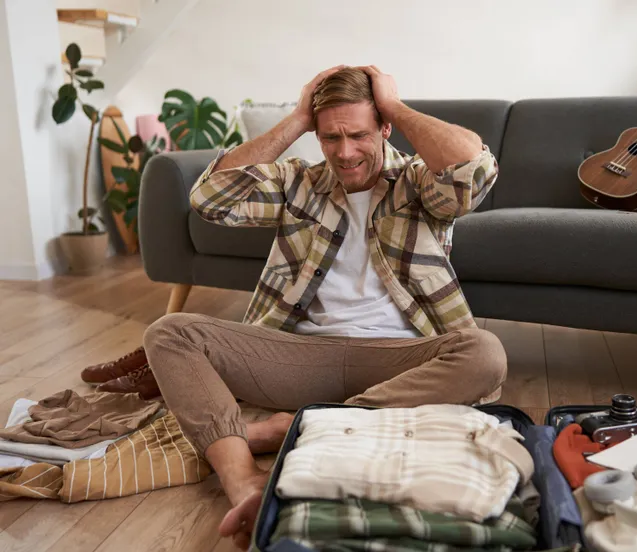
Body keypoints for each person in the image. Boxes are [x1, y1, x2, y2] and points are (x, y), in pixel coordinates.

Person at [82, 65, 507, 549]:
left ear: (384, 126)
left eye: (359, 135)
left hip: (402, 359)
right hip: (297, 355)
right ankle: (242, 478)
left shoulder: (419, 182)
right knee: (169, 332)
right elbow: (209, 199)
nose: (345, 153)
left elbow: (474, 172)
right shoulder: (298, 183)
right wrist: (297, 119)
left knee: (485, 353)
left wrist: (396, 106)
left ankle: (295, 427)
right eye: (331, 137)